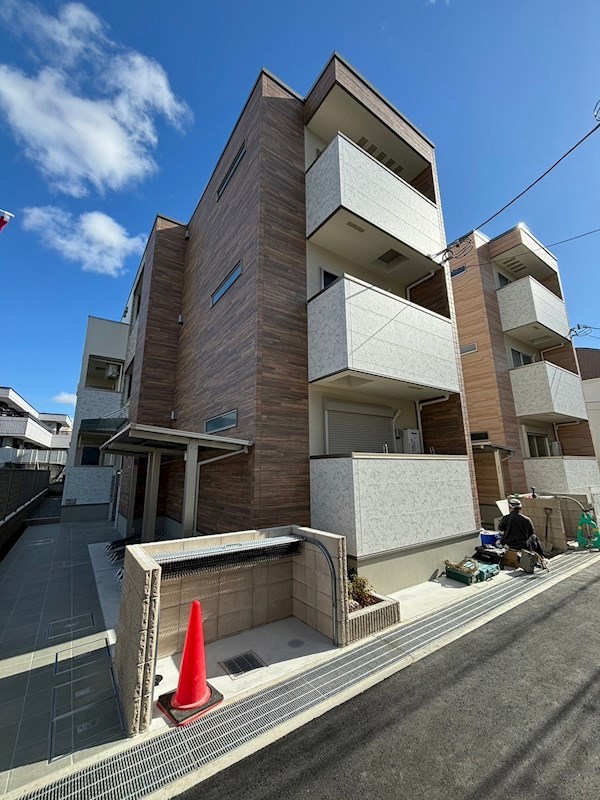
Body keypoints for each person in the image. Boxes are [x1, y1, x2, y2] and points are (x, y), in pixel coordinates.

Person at [499, 498, 549, 568]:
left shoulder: (506, 518)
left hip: (509, 543)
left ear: (510, 508)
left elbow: (500, 528)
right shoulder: (526, 519)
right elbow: (532, 532)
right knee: (534, 537)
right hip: (523, 545)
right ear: (520, 508)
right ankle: (542, 556)